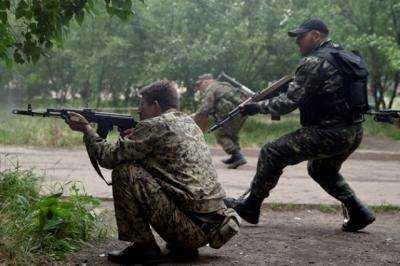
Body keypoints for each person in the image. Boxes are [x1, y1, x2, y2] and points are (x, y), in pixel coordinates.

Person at [65, 80, 240, 264]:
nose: (139, 111)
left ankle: (143, 248)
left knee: (125, 171)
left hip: (189, 230)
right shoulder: (189, 123)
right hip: (212, 226)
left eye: (142, 105)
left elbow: (108, 158)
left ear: (156, 106)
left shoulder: (155, 125)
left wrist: (87, 130)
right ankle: (182, 248)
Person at [225, 19, 375, 232]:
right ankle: (359, 212)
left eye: (300, 37)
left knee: (272, 151)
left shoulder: (314, 61)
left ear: (315, 35)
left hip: (329, 132)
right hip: (353, 131)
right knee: (321, 169)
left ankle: (251, 206)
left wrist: (255, 107)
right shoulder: (343, 56)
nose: (297, 43)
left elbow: (288, 103)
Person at [193, 74, 248, 169]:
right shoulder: (222, 85)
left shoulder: (211, 88)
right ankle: (235, 156)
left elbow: (206, 107)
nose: (200, 87)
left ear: (206, 81)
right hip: (242, 111)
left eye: (200, 84)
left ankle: (238, 156)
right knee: (231, 134)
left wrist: (195, 115)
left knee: (220, 134)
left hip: (233, 113)